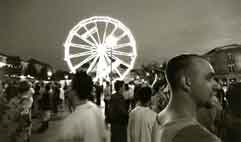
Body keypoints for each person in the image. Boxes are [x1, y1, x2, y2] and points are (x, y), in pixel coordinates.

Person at [152, 54, 221, 142]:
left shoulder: (159, 119)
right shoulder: (200, 138)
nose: (217, 86)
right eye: (209, 78)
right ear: (186, 82)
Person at [57, 71, 106, 142]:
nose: (67, 90)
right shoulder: (96, 109)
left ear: (74, 92)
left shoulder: (69, 123)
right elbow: (104, 137)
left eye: (70, 86)